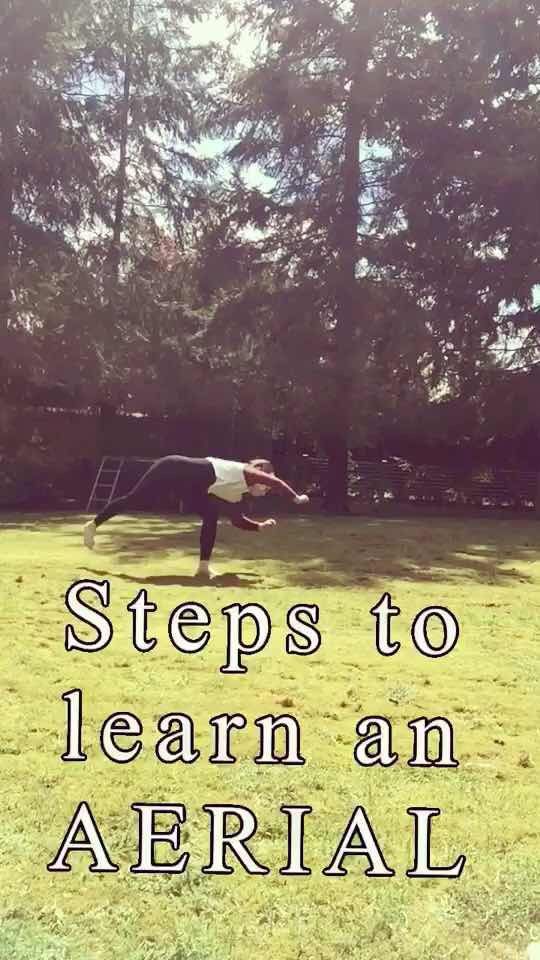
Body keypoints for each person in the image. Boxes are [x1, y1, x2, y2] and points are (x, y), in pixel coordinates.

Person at [83, 455, 309, 578]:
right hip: (170, 467)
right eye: (264, 486)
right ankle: (93, 525)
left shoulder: (236, 493)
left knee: (211, 514)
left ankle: (203, 567)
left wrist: (259, 527)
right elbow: (276, 482)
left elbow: (237, 520)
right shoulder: (244, 472)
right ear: (259, 474)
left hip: (190, 488)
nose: (265, 490)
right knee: (133, 498)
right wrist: (296, 497)